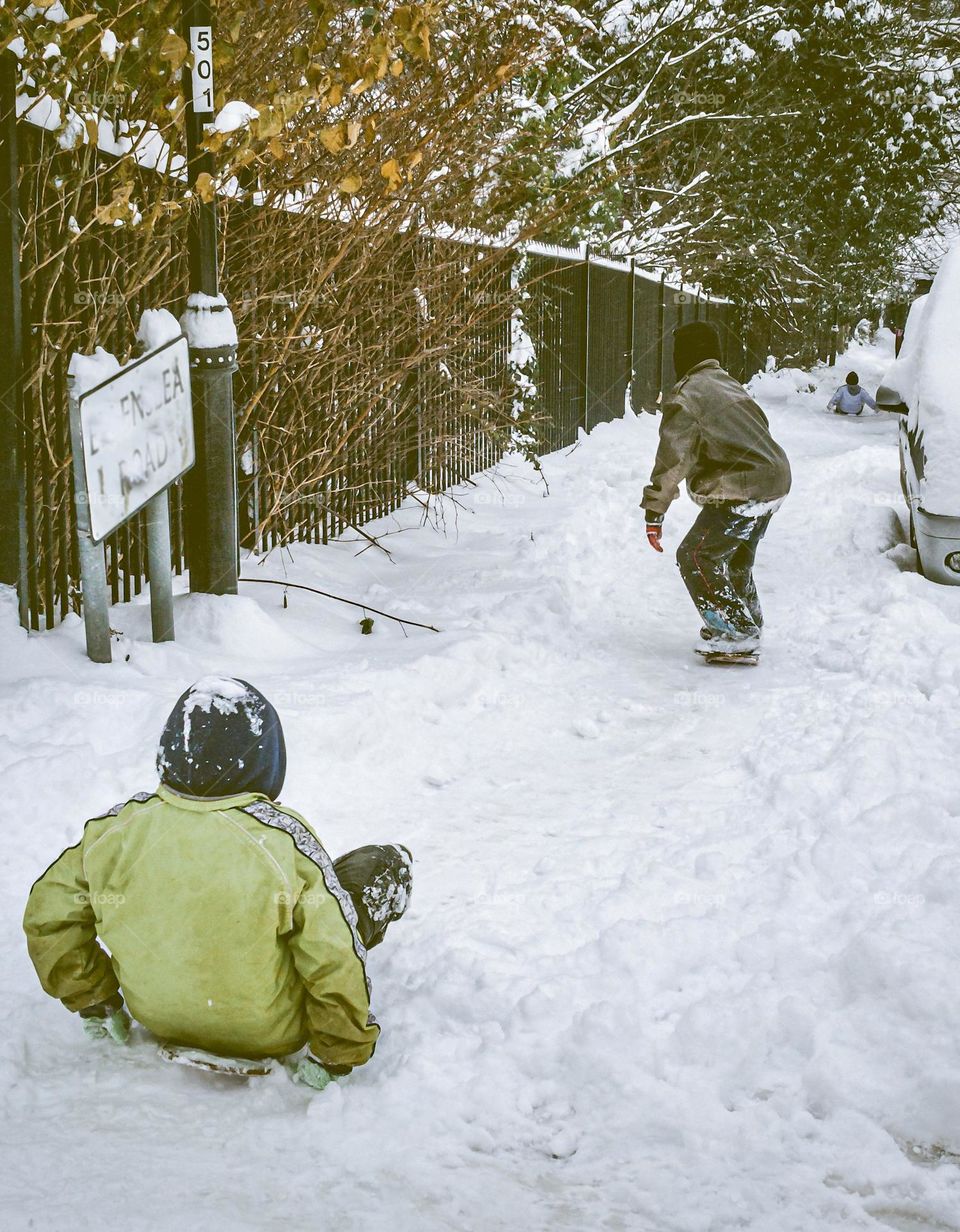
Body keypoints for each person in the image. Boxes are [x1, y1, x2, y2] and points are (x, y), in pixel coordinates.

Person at [22, 676, 411, 1091]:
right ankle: (392, 869)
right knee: (376, 868)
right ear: (266, 759)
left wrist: (94, 1000)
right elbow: (332, 953)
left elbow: (50, 916)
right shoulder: (282, 845)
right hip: (271, 1033)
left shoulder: (117, 832)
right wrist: (337, 1052)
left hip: (158, 1015)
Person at [642, 321, 792, 658]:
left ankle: (736, 632)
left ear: (684, 355)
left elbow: (672, 458)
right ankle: (746, 623)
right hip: (775, 482)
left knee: (695, 555)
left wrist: (655, 511)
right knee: (735, 558)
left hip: (745, 487)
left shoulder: (689, 395)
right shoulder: (728, 384)